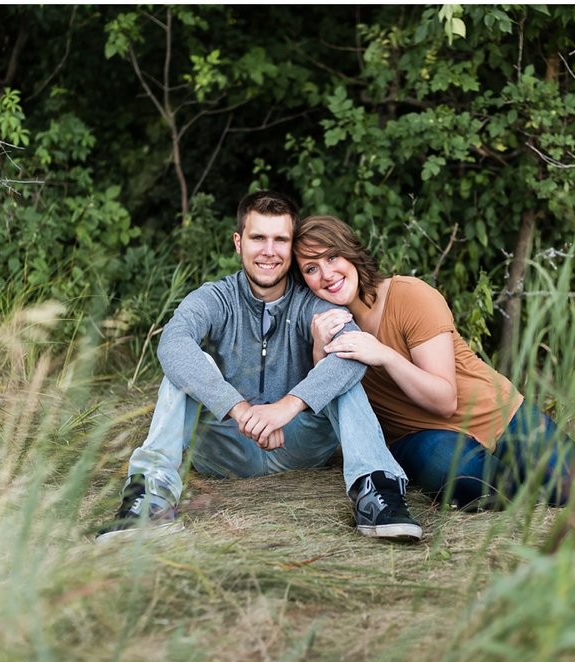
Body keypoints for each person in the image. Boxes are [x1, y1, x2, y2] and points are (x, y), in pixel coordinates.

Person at [96, 191, 422, 543]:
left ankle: (378, 493)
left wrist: (287, 407)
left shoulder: (313, 301)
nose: (269, 250)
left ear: (291, 245)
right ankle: (150, 499)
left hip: (299, 441)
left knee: (341, 359)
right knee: (188, 363)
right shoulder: (215, 297)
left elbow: (352, 354)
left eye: (280, 239)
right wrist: (240, 410)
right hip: (225, 444)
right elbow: (172, 343)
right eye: (258, 238)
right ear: (238, 242)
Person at [293, 214, 575, 511]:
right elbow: (332, 417)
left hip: (493, 413)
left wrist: (384, 354)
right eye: (311, 268)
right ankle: (516, 483)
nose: (327, 274)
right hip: (418, 437)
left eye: (332, 257)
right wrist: (320, 352)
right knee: (466, 476)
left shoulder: (409, 296)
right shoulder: (327, 327)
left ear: (350, 252)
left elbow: (445, 399)